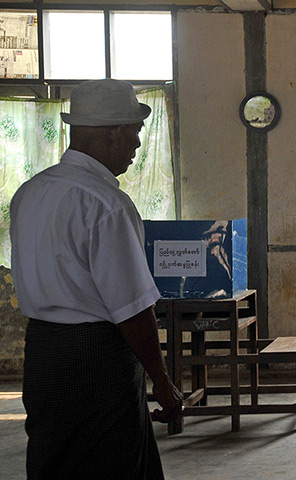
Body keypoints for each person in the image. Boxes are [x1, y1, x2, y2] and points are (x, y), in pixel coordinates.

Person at [10, 79, 184, 480]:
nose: (137, 146)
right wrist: (161, 380)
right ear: (115, 133)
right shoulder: (106, 203)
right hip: (98, 358)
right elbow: (132, 308)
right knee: (113, 462)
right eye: (135, 134)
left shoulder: (29, 193)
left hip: (43, 354)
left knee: (53, 459)